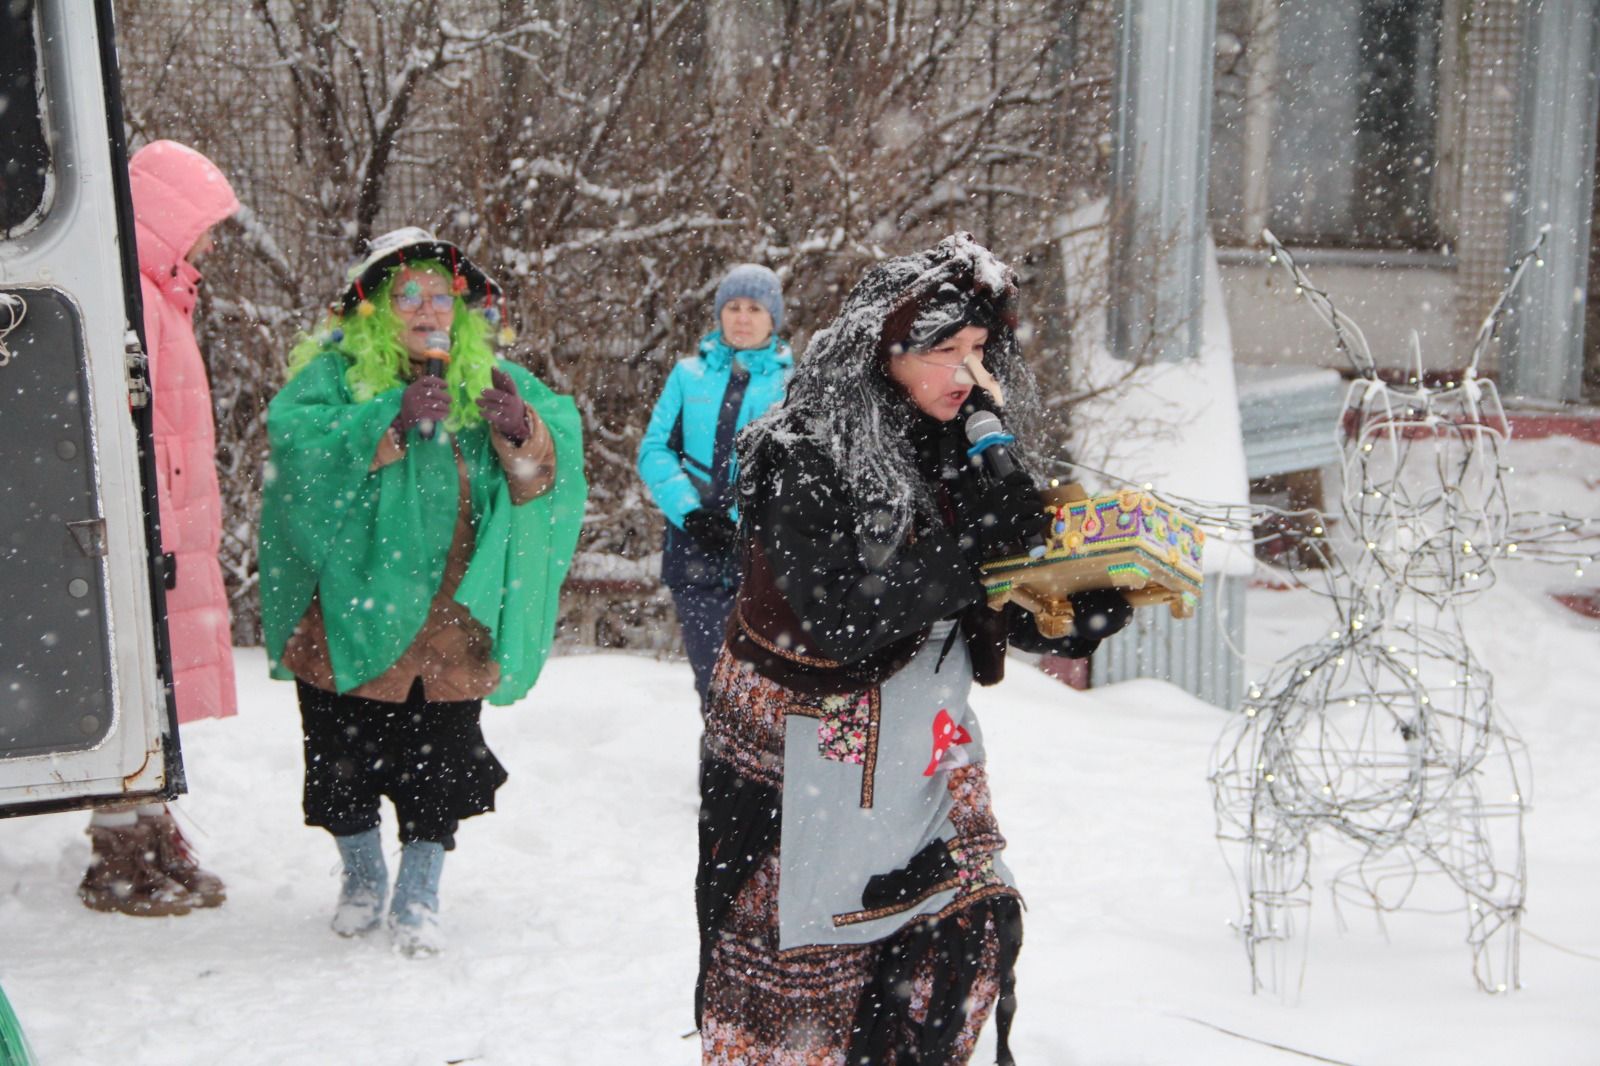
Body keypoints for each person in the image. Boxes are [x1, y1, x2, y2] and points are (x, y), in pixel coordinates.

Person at [694, 234, 1132, 1064]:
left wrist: (1066, 617)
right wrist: (972, 557)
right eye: (943, 351)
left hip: (925, 753)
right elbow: (830, 620)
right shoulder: (801, 452)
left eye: (977, 350)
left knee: (951, 960)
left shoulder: (962, 442)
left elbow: (979, 595)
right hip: (801, 767)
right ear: (884, 352)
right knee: (802, 1017)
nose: (967, 373)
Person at [257, 228, 586, 956]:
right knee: (340, 760)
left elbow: (551, 468)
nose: (427, 307)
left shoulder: (488, 376)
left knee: (439, 765)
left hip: (449, 619)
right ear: (371, 307)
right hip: (348, 606)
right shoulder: (334, 380)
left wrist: (520, 430)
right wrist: (386, 420)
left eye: (442, 295)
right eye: (407, 293)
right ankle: (364, 873)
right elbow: (295, 453)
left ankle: (420, 889)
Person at [77, 140, 238, 917]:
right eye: (206, 225)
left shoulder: (158, 292)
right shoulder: (136, 296)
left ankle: (147, 834)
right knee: (135, 680)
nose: (212, 243)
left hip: (169, 531)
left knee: (153, 687)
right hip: (154, 535)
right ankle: (119, 857)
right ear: (171, 219)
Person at [637, 264, 792, 707]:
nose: (742, 317)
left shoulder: (791, 381)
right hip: (694, 550)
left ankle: (766, 772)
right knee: (712, 676)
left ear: (773, 318)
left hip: (764, 554)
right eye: (733, 307)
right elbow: (654, 451)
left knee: (766, 681)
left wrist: (739, 521)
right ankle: (718, 767)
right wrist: (690, 512)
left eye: (755, 308)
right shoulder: (688, 376)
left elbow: (790, 469)